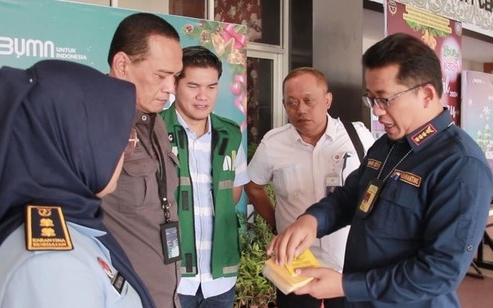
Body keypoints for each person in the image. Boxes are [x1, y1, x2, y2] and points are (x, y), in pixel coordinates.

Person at [268, 33, 493, 307]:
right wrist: (312, 221)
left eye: (385, 99)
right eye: (371, 98)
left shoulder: (460, 164)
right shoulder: (387, 146)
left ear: (427, 94)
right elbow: (350, 196)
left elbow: (439, 272)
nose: (376, 111)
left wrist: (344, 285)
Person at [0, 59, 154, 308]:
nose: (125, 152)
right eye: (115, 138)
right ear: (75, 143)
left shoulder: (72, 220)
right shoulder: (50, 267)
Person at [246, 67, 374, 308]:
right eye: (291, 103)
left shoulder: (357, 137)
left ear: (327, 100)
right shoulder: (273, 143)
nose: (300, 109)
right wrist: (278, 223)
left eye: (308, 101)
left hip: (347, 266)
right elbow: (254, 187)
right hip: (295, 265)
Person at [101, 13, 183, 308]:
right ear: (122, 65)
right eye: (161, 76)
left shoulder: (155, 121)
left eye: (174, 76)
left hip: (166, 294)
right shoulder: (94, 122)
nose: (171, 88)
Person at [160, 45, 249, 308]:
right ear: (175, 84)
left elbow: (233, 192)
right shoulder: (155, 129)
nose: (203, 96)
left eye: (211, 87)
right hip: (171, 276)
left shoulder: (231, 134)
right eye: (193, 86)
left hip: (220, 278)